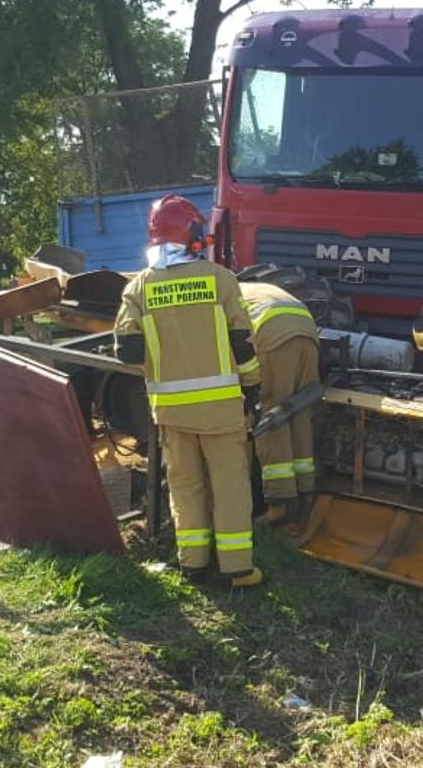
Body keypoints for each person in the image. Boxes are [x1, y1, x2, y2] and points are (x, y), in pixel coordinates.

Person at [113, 195, 264, 588]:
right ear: (194, 235)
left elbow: (126, 350)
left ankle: (192, 565)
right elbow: (242, 345)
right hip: (222, 411)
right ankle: (237, 570)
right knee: (229, 487)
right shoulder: (220, 279)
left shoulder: (141, 286)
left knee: (185, 486)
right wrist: (251, 388)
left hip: (171, 412)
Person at [239, 281, 321, 524]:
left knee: (270, 415)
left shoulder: (213, 297)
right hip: (306, 330)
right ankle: (305, 492)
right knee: (298, 411)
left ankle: (280, 505)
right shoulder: (245, 286)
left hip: (272, 333)